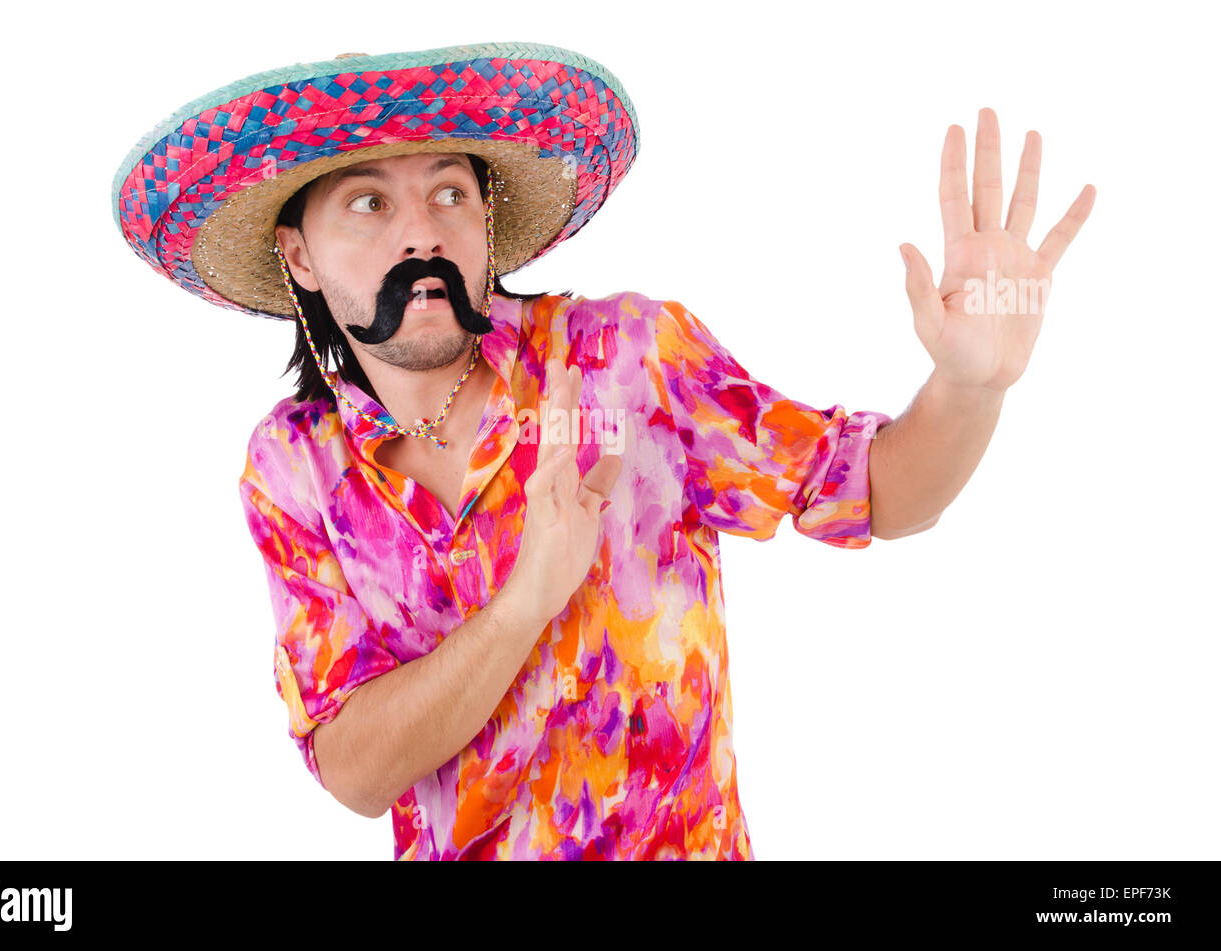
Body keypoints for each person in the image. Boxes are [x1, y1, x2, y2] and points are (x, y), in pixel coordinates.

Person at [112, 43, 1094, 860]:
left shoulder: (625, 360)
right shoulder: (295, 466)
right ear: (298, 254)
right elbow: (356, 772)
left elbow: (884, 492)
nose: (421, 233)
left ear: (487, 222)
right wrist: (525, 602)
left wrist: (971, 385)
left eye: (449, 192)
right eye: (368, 204)